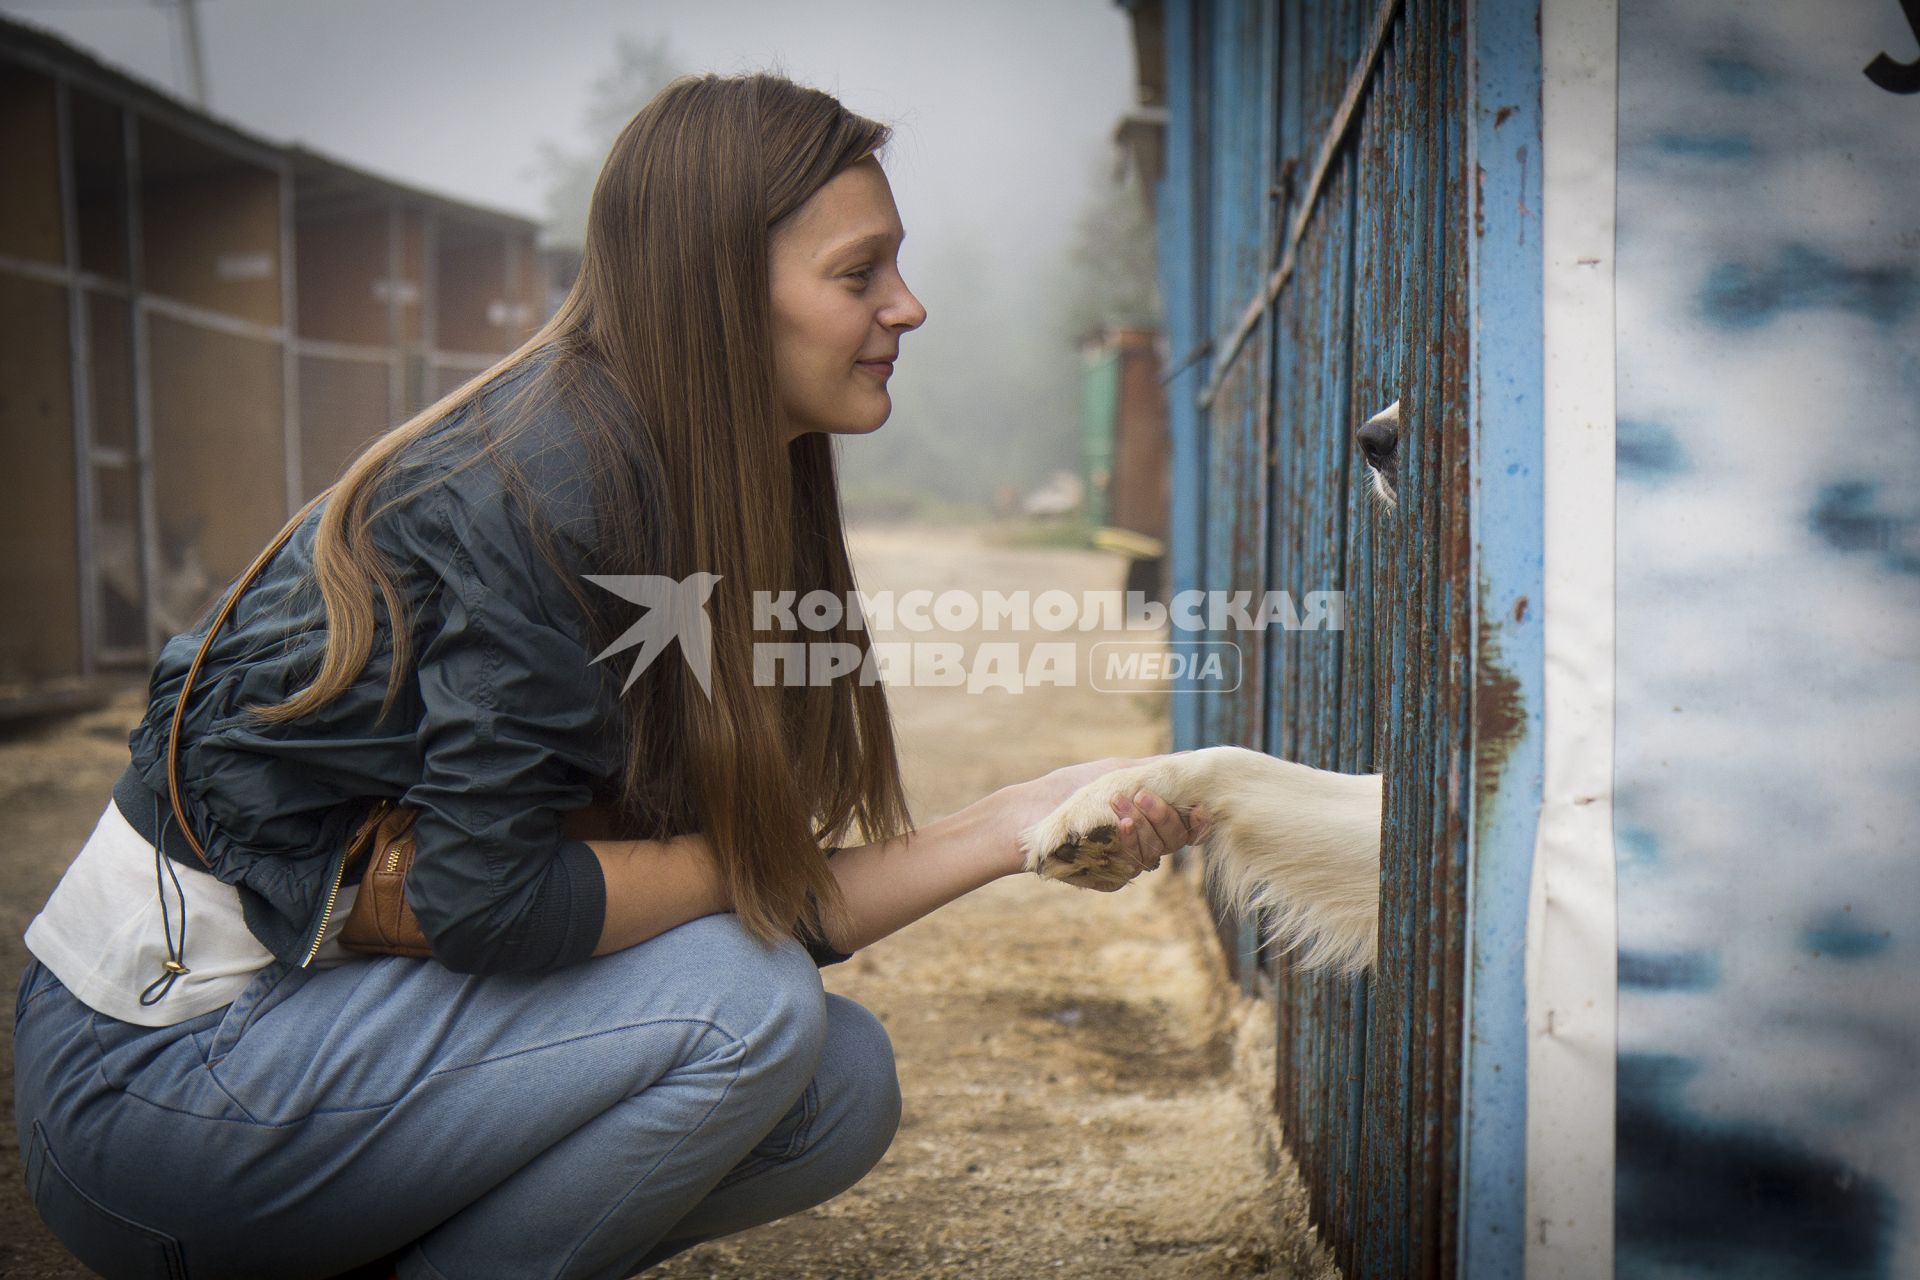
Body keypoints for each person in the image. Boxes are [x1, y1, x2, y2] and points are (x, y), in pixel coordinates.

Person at [10, 71, 1208, 1280]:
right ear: (720, 293)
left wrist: (1023, 819)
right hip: (155, 1083)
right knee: (748, 1007)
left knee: (838, 1088)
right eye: (861, 274)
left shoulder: (705, 479)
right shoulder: (547, 490)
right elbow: (498, 903)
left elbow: (719, 893)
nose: (909, 305)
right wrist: (752, 866)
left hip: (302, 1051)